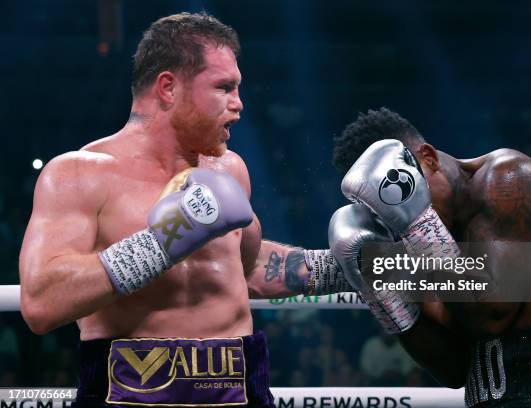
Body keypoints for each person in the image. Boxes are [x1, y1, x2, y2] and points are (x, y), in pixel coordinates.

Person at [19, 12, 351, 407]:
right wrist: (163, 242)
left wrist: (354, 266)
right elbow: (42, 303)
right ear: (168, 87)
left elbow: (241, 268)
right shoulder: (78, 174)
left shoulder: (229, 169)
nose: (238, 104)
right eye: (224, 87)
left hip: (239, 387)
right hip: (130, 391)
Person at [329, 108, 531, 406]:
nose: (394, 217)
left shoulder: (509, 180)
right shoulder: (426, 246)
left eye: (398, 193)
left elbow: (491, 315)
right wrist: (386, 299)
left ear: (429, 158)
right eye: (382, 208)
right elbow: (455, 369)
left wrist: (415, 223)